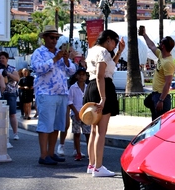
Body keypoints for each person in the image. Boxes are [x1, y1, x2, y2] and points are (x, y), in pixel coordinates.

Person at [31, 25, 76, 166]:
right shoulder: (38, 53)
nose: (54, 40)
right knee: (46, 124)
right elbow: (37, 68)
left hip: (61, 93)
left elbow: (72, 71)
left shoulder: (60, 53)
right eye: (51, 37)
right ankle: (43, 155)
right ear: (44, 38)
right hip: (46, 93)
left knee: (57, 124)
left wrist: (67, 60)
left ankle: (51, 153)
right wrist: (54, 59)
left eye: (56, 38)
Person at [84, 29, 124, 177]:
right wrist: (103, 97)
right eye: (114, 41)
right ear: (108, 39)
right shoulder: (103, 52)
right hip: (103, 87)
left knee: (94, 130)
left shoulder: (93, 50)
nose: (114, 45)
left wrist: (119, 53)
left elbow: (107, 68)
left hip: (92, 86)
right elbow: (102, 75)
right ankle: (98, 167)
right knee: (101, 131)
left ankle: (92, 164)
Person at [139, 26, 175, 119]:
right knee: (153, 117)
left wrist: (161, 100)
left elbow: (168, 83)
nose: (159, 43)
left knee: (159, 122)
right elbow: (151, 46)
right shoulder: (161, 55)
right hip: (156, 94)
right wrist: (144, 34)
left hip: (161, 96)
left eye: (161, 42)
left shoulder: (168, 62)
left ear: (163, 46)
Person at [68, 67, 90, 161]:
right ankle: (78, 152)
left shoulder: (88, 87)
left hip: (86, 114)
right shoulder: (73, 88)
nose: (81, 76)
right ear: (76, 76)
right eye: (79, 74)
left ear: (86, 76)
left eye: (83, 75)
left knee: (88, 133)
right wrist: (76, 113)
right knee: (77, 133)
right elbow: (70, 101)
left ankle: (90, 152)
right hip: (76, 113)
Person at [0, 51, 20, 140]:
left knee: (12, 114)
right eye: (0, 58)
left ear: (7, 59)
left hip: (11, 92)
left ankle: (15, 133)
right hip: (1, 93)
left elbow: (17, 78)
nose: (1, 60)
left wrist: (8, 74)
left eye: (3, 58)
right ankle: (2, 133)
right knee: (0, 114)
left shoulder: (12, 68)